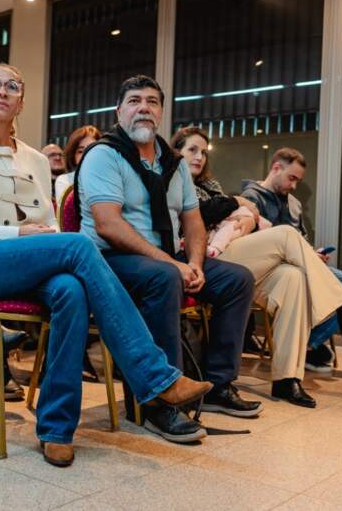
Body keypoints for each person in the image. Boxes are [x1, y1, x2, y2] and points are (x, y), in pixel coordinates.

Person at [0, 63, 211, 466]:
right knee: (78, 245)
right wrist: (17, 235)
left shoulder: (35, 159)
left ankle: (56, 428)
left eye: (13, 86)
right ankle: (154, 376)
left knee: (72, 291)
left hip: (25, 265)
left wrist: (35, 236)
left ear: (21, 102)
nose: (2, 91)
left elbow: (48, 224)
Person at [77, 75, 262, 442]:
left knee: (238, 280)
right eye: (134, 101)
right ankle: (160, 402)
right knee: (164, 277)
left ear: (161, 112)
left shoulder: (173, 163)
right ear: (119, 111)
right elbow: (108, 224)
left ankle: (217, 386)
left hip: (164, 258)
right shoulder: (103, 155)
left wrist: (194, 263)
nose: (143, 107)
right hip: (110, 259)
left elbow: (193, 221)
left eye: (152, 101)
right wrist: (172, 264)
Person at [174, 127, 342, 407]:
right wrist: (237, 204)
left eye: (203, 152)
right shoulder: (174, 181)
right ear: (176, 152)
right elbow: (200, 215)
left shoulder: (212, 186)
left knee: (293, 277)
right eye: (192, 150)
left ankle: (286, 379)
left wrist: (244, 215)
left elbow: (245, 217)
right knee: (286, 235)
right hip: (199, 257)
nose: (199, 157)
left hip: (233, 251)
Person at [240, 148, 342, 371]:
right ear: (276, 168)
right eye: (291, 178)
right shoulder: (252, 198)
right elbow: (252, 246)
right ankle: (309, 343)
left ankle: (306, 344)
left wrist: (313, 253)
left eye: (298, 180)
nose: (294, 185)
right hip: (274, 271)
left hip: (304, 263)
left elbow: (301, 240)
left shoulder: (294, 203)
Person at [54, 125, 101, 207]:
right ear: (73, 156)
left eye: (92, 149)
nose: (87, 154)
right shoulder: (64, 180)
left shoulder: (112, 178)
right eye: (80, 151)